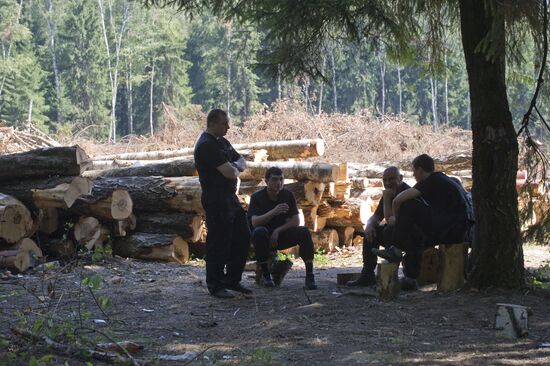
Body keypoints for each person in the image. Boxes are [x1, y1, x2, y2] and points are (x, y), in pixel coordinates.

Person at [373, 154, 468, 290]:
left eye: (414, 171)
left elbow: (399, 200)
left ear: (420, 169)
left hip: (452, 229)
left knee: (408, 205)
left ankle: (396, 250)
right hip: (454, 228)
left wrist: (396, 218)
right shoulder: (441, 179)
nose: (414, 175)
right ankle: (411, 278)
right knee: (414, 234)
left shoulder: (432, 180)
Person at [194, 109, 251, 299]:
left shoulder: (222, 142)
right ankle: (215, 284)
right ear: (212, 123)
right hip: (216, 198)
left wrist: (235, 167)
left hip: (230, 198)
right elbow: (230, 172)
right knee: (219, 242)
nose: (228, 127)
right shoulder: (206, 146)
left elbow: (241, 162)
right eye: (224, 123)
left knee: (242, 236)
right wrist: (235, 168)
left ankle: (232, 280)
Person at [248, 167, 318, 290]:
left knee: (304, 232)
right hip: (264, 238)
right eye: (275, 179)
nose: (279, 183)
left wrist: (277, 231)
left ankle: (310, 275)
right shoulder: (257, 197)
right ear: (266, 181)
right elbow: (255, 222)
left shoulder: (287, 195)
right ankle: (266, 275)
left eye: (281, 179)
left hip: (281, 236)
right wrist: (273, 212)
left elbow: (295, 220)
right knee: (259, 232)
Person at [346, 166, 410, 287]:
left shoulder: (407, 193)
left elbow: (392, 221)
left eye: (391, 179)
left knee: (389, 230)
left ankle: (390, 278)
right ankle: (367, 274)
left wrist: (386, 199)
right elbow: (376, 217)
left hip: (409, 236)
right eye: (385, 180)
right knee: (372, 232)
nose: (387, 183)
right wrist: (369, 225)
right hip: (394, 233)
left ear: (400, 178)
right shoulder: (388, 192)